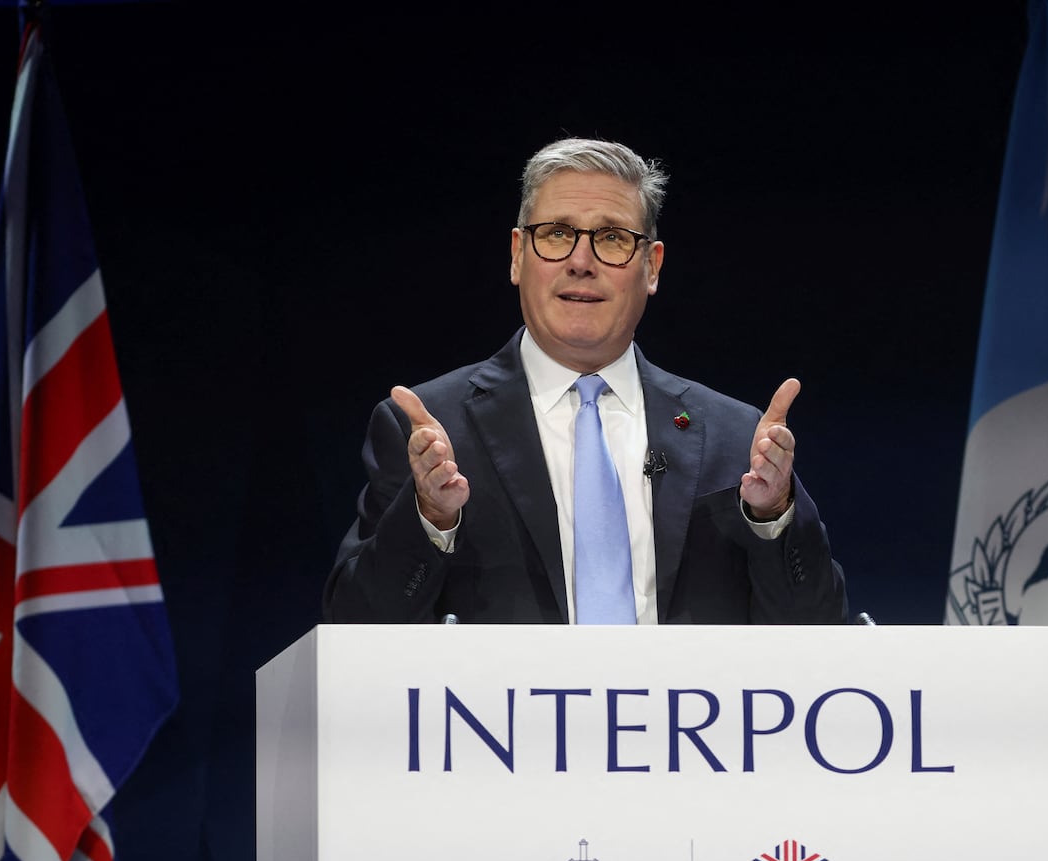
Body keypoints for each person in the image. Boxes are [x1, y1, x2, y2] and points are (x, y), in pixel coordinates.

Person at [323, 137, 846, 625]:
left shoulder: (733, 435)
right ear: (517, 255)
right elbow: (353, 627)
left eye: (613, 238)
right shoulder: (432, 429)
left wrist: (773, 517)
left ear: (652, 266)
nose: (580, 261)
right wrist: (431, 518)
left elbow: (820, 627)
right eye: (556, 234)